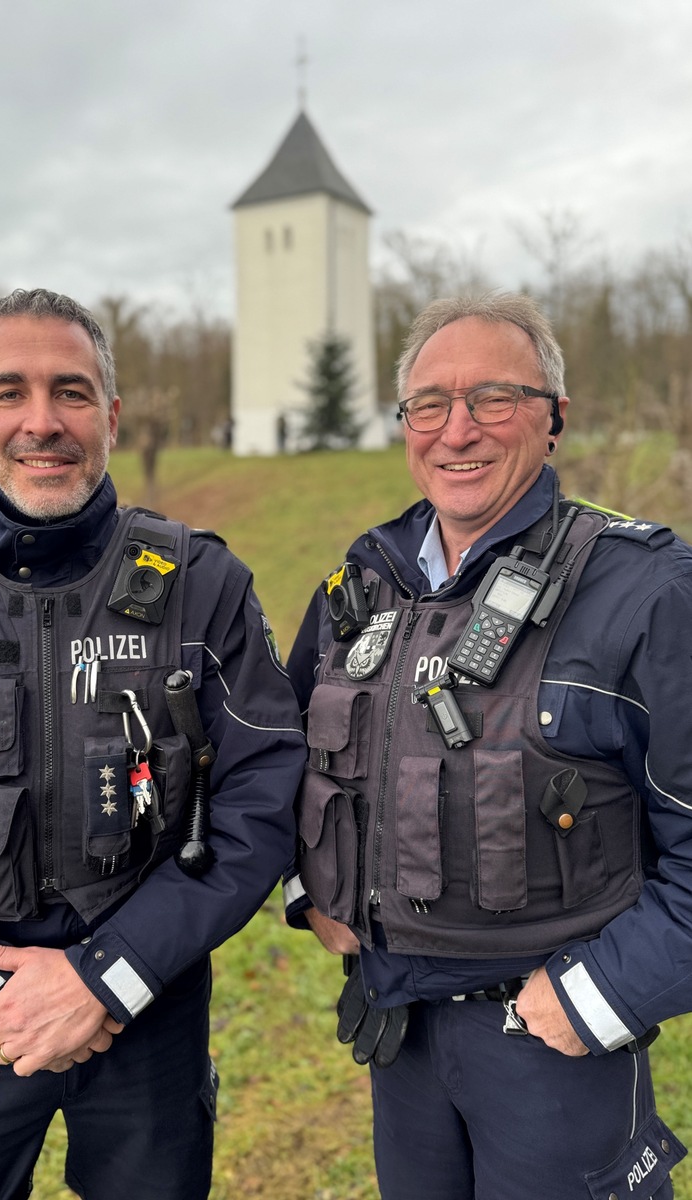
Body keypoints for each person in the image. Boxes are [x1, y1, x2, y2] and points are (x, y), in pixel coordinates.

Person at [0, 288, 306, 1200]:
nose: (41, 422)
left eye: (72, 392)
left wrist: (108, 976)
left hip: (146, 1010)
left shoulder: (203, 585)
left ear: (112, 417)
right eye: (9, 393)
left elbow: (262, 796)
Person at [284, 292, 692, 1199]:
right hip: (401, 1040)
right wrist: (310, 883)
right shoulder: (365, 579)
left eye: (494, 399)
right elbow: (284, 756)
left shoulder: (650, 592)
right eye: (429, 404)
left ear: (554, 420)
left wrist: (595, 998)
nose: (456, 431)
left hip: (553, 1043)